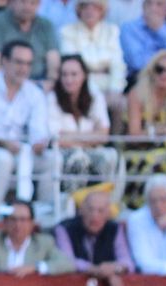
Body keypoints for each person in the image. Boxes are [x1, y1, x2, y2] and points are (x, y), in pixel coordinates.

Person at [0, 40, 50, 206]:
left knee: (53, 159)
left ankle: (43, 210)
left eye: (28, 64)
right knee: (3, 159)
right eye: (19, 62)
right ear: (4, 61)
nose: (23, 69)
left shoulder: (34, 93)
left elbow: (38, 128)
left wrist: (39, 142)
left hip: (21, 149)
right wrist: (2, 143)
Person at [123, 49, 166, 207]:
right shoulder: (137, 94)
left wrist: (155, 132)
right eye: (160, 69)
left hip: (164, 150)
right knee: (161, 159)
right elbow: (134, 135)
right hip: (136, 151)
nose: (164, 75)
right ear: (152, 71)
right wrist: (160, 130)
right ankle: (145, 204)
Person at [49, 53, 117, 191]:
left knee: (111, 156)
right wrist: (91, 137)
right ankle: (73, 200)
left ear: (84, 75)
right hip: (62, 154)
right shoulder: (52, 99)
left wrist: (72, 136)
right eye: (64, 75)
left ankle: (103, 198)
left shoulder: (95, 96)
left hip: (91, 150)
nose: (69, 80)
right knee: (78, 158)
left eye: (74, 74)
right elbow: (57, 139)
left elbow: (104, 135)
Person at [0, 199, 74, 273]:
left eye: (23, 220)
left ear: (32, 223)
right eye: (13, 219)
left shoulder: (43, 243)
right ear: (5, 222)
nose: (17, 225)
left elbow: (68, 264)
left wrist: (35, 267)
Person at [54, 187, 134, 286]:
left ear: (108, 214)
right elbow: (67, 261)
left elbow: (127, 262)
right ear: (81, 210)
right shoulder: (64, 228)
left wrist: (113, 268)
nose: (94, 215)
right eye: (90, 209)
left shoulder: (115, 228)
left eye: (100, 211)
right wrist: (97, 270)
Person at [60, 0, 124, 120]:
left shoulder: (112, 31)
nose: (90, 11)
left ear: (102, 11)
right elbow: (73, 64)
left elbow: (117, 64)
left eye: (95, 8)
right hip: (80, 86)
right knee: (90, 102)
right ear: (79, 10)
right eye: (85, 7)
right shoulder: (67, 31)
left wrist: (115, 89)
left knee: (120, 103)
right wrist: (103, 67)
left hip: (108, 85)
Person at [0, 0, 61, 82]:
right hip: (5, 82)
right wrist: (17, 84)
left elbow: (53, 60)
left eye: (33, 3)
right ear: (12, 2)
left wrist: (51, 80)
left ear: (39, 5)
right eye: (23, 2)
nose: (27, 7)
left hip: (40, 81)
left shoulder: (46, 25)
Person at [120, 0, 166, 80]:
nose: (153, 8)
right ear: (143, 7)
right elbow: (136, 62)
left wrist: (160, 29)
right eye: (149, 3)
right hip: (140, 80)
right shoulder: (129, 28)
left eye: (159, 4)